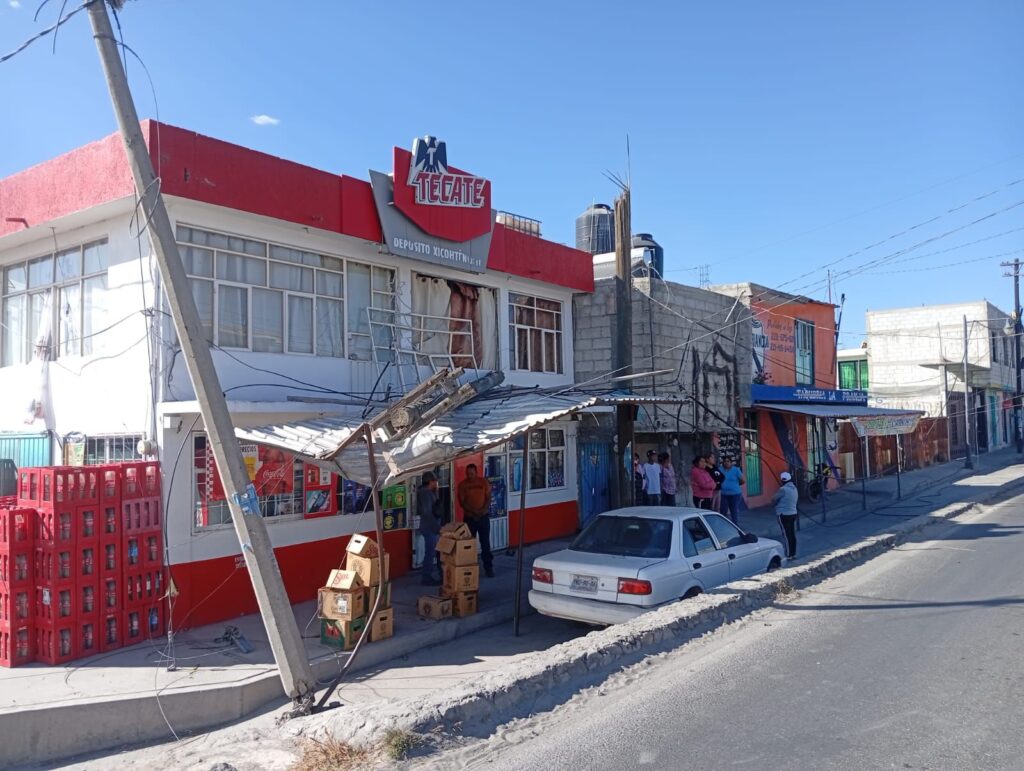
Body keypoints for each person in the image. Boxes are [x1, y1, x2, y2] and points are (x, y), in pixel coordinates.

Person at [458, 464, 494, 577]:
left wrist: (482, 510)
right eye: (468, 474)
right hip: (470, 518)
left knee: (485, 543)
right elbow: (462, 502)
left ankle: (488, 568)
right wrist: (474, 512)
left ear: (476, 472)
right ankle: (470, 570)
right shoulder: (462, 485)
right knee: (469, 545)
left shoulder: (483, 482)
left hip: (483, 517)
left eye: (472, 473)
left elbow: (488, 498)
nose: (470, 475)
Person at [416, 471, 443, 585]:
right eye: (435, 481)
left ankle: (438, 573)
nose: (436, 483)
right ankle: (426, 577)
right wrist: (437, 528)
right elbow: (427, 512)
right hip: (429, 527)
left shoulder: (429, 492)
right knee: (430, 553)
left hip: (430, 526)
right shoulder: (425, 493)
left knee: (434, 552)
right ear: (430, 482)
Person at [772, 470, 799, 561]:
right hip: (793, 513)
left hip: (783, 514)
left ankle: (788, 554)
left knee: (786, 535)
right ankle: (793, 553)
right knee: (792, 534)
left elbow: (773, 498)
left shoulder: (783, 489)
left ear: (782, 480)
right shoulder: (794, 488)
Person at [718, 456, 746, 526]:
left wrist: (735, 485)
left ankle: (735, 525)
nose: (726, 463)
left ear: (731, 462)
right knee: (723, 510)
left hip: (735, 494)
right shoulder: (720, 469)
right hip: (724, 494)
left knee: (733, 510)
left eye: (728, 461)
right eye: (725, 461)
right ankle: (723, 525)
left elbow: (743, 481)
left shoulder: (736, 470)